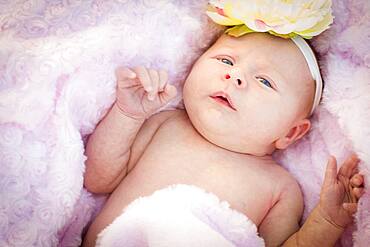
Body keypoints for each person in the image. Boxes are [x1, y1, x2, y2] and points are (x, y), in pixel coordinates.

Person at [82, 32, 364, 246]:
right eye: (225, 60)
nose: (236, 75)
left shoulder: (280, 188)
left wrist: (326, 223)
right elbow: (98, 178)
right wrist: (127, 113)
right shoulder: (165, 125)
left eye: (265, 81)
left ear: (291, 132)